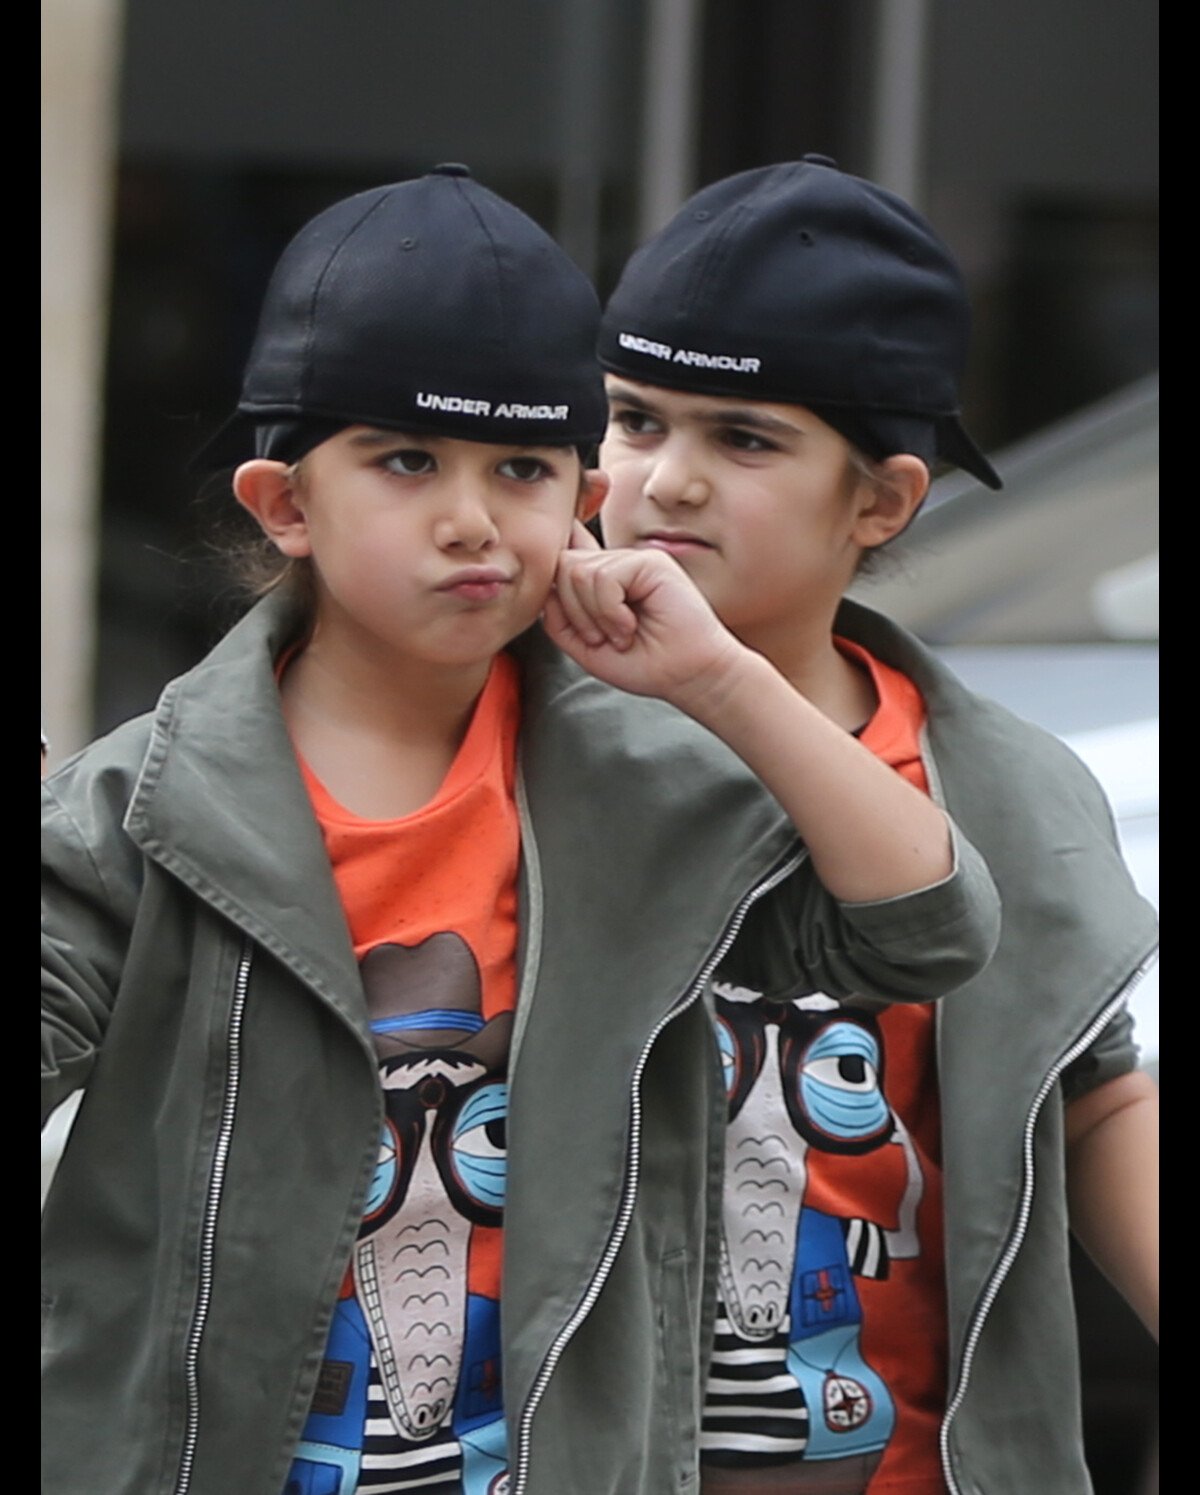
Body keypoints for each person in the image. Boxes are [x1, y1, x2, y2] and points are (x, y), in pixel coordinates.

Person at [41, 165, 1000, 1495]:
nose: (474, 519)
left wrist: (720, 680)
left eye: (525, 468)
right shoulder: (135, 814)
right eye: (406, 460)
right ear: (285, 505)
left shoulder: (649, 789)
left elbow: (928, 929)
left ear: (583, 493)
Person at [547, 155, 1159, 1494]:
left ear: (880, 500)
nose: (667, 481)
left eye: (744, 438)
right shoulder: (511, 734)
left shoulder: (1004, 786)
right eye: (636, 420)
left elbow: (1096, 1091)